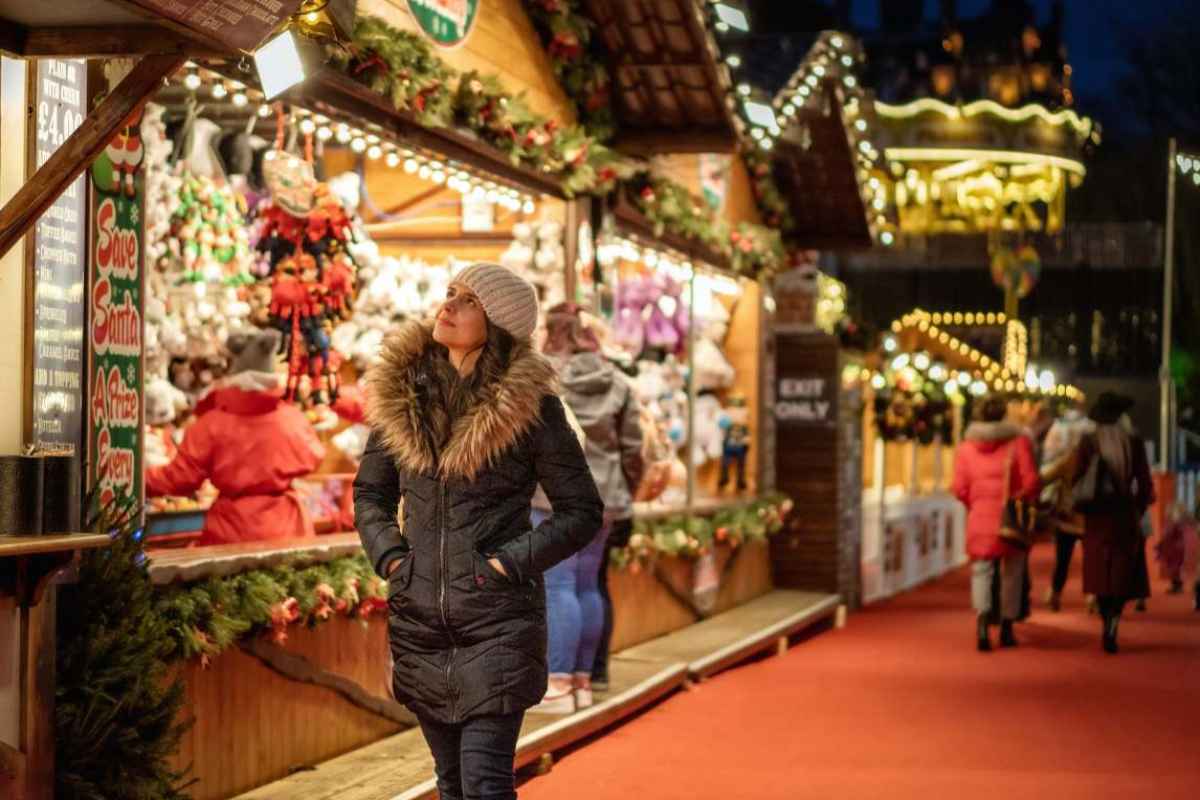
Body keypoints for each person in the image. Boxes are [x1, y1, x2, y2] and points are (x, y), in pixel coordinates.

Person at [354, 263, 604, 800]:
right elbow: (370, 494)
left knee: (485, 783)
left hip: (498, 621)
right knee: (450, 785)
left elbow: (580, 510)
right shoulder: (404, 400)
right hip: (420, 622)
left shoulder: (531, 409)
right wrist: (394, 560)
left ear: (498, 323)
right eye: (449, 294)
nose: (448, 306)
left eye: (467, 301)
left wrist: (506, 564)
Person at [530, 304, 644, 713]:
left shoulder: (540, 377)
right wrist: (624, 491)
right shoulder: (617, 380)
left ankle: (557, 684)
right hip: (606, 497)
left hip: (553, 497)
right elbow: (634, 448)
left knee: (557, 586)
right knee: (587, 585)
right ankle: (581, 680)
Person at [147, 328, 325, 545]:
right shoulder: (293, 419)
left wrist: (136, 479)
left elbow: (179, 479)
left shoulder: (211, 424)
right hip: (290, 531)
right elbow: (315, 456)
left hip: (232, 533)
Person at [952, 394, 1040, 651]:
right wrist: (1021, 500)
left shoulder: (966, 448)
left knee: (982, 571)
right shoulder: (1018, 442)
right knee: (1012, 572)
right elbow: (1031, 481)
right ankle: (1006, 627)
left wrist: (975, 503)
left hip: (979, 516)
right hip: (1009, 518)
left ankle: (981, 624)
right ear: (1003, 415)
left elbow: (958, 487)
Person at [1070, 393, 1154, 654]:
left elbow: (1076, 479)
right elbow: (1145, 483)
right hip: (1123, 514)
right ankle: (1114, 620)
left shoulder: (1088, 441)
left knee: (1099, 570)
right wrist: (1137, 509)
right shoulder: (1133, 441)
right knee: (1121, 570)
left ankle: (1105, 619)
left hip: (1096, 515)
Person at [1040, 399, 1095, 611]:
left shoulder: (1068, 459)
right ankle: (1092, 595)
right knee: (1091, 557)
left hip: (1067, 514)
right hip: (1090, 513)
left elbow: (1047, 476)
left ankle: (1055, 593)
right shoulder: (1095, 459)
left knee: (1063, 558)